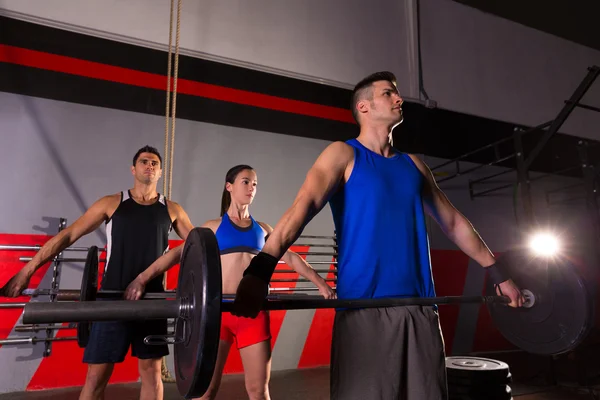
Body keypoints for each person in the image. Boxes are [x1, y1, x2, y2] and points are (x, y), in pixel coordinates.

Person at [231, 72, 526, 400]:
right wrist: (259, 271)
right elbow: (302, 209)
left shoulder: (414, 166)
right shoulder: (343, 155)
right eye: (389, 94)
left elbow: (454, 223)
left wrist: (497, 273)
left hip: (421, 307)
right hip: (364, 309)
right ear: (364, 106)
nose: (399, 100)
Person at [0, 145, 194, 400]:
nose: (150, 166)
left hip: (152, 302)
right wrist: (28, 269)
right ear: (133, 169)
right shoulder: (112, 203)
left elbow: (198, 246)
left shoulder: (172, 209)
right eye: (144, 161)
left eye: (155, 163)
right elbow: (69, 234)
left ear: (160, 173)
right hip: (112, 300)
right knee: (95, 378)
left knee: (152, 374)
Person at [134, 164, 335, 400]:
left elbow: (291, 257)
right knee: (205, 393)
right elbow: (175, 255)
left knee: (258, 391)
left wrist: (321, 283)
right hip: (216, 315)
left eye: (255, 184)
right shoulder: (212, 228)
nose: (252, 188)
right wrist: (141, 279)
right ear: (229, 186)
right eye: (246, 182)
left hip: (252, 314)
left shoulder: (263, 230)